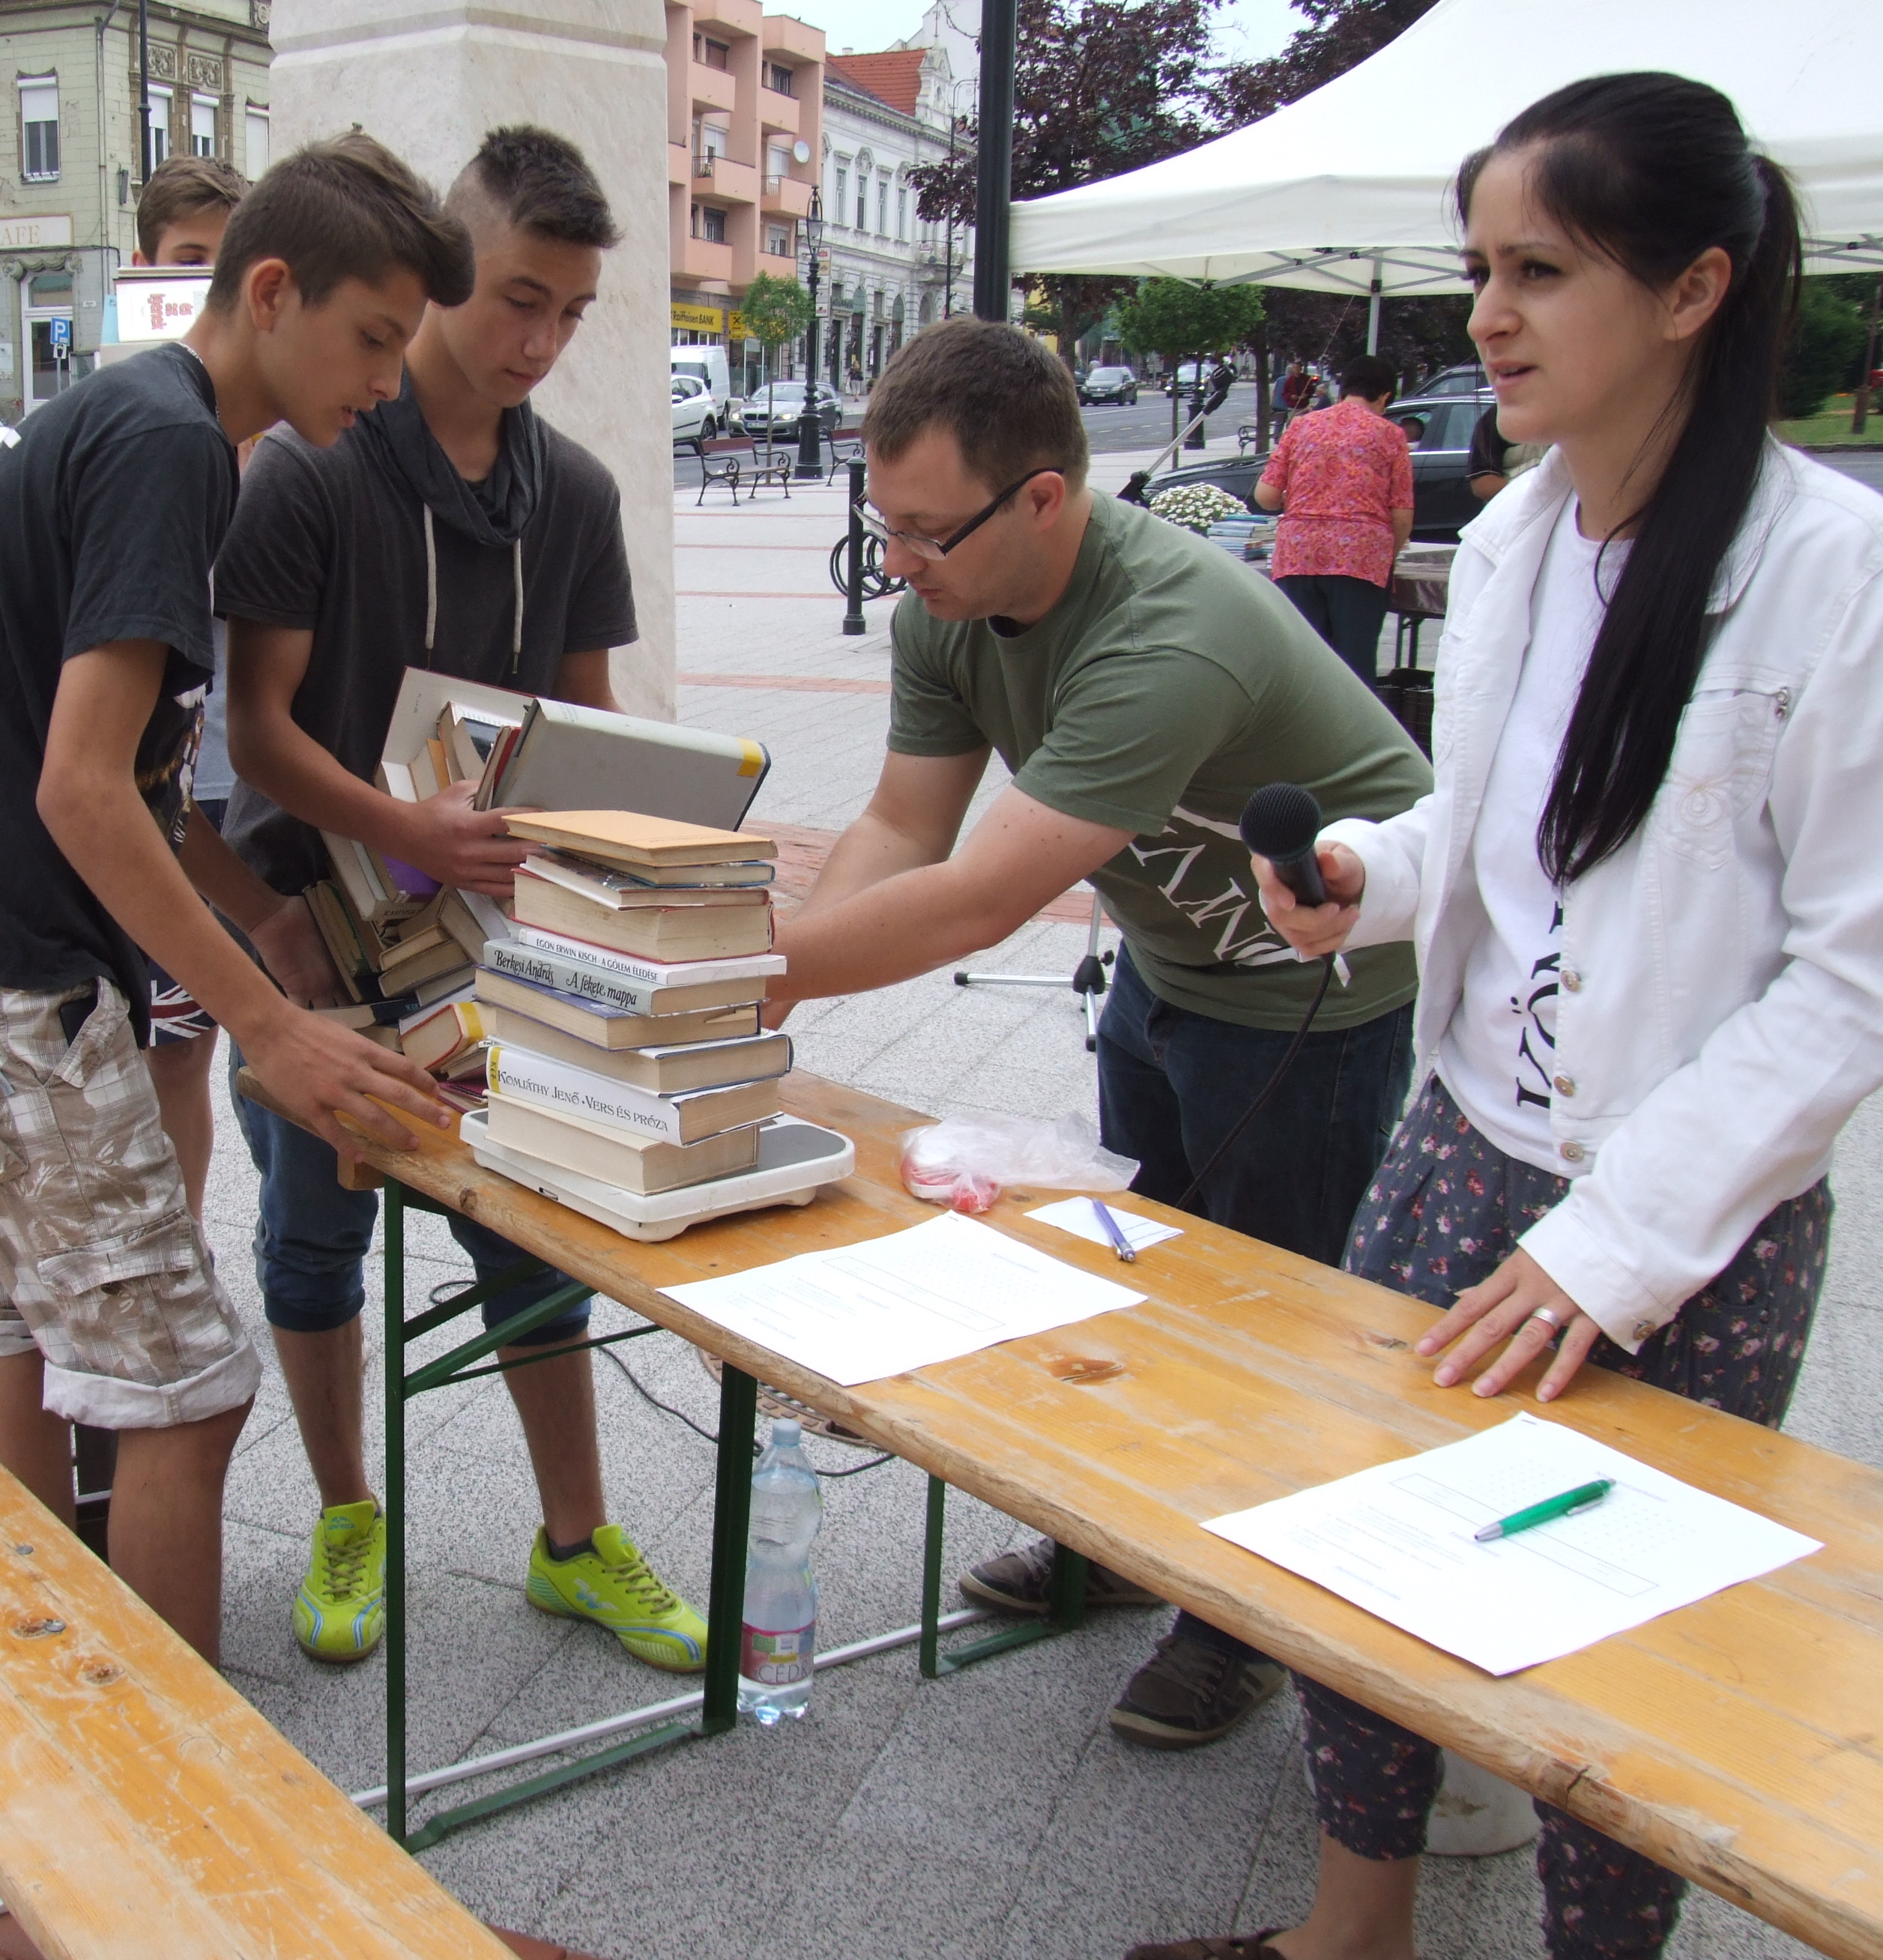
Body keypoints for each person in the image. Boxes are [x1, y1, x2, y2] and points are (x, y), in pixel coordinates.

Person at [1140, 75, 1883, 1960]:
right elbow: (1488, 832)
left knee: (1615, 1660)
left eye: (1539, 271)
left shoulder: (1835, 572)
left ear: (1694, 288)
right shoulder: (1512, 539)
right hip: (1461, 1144)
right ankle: (1351, 1929)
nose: (1486, 315)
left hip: (1686, 1220)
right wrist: (1368, 879)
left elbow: (1851, 977)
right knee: (1370, 1556)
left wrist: (1613, 1248)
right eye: (1478, 268)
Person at [0, 132, 471, 1664]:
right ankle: (168, 1768)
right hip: (13, 977)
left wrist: (266, 920)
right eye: (372, 337)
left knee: (16, 1335)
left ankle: (40, 1696)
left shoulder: (116, 418)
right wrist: (270, 1029)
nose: (386, 381)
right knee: (184, 1392)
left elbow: (140, 771)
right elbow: (79, 789)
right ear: (273, 290)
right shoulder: (170, 444)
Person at [767, 314, 1432, 1749]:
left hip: (1310, 1000)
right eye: (884, 525)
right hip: (1165, 965)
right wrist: (782, 972)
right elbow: (902, 825)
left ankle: (1240, 1627)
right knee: (1131, 1277)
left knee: (1265, 1321)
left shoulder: (1167, 629)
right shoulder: (941, 613)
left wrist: (757, 975)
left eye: (926, 532)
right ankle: (1126, 1545)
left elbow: (980, 899)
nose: (897, 563)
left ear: (1043, 500)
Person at [218, 126, 708, 1674]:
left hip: (497, 937)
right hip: (310, 931)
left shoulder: (574, 491)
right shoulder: (313, 467)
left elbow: (587, 720)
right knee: (311, 1238)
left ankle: (574, 1538)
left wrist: (659, 862)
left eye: (570, 314)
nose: (539, 343)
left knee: (535, 1235)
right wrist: (395, 825)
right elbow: (252, 733)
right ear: (442, 273)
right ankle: (345, 1510)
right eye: (514, 300)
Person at [126, 154, 250, 1219]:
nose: (204, 282)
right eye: (186, 260)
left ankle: (191, 1245)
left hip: (237, 785)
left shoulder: (275, 434)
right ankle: (163, 1250)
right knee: (147, 1045)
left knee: (203, 1046)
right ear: (145, 268)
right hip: (144, 786)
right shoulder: (139, 423)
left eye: (225, 260)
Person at [1252, 354, 1415, 684]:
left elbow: (1265, 495)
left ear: (1342, 390)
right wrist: (1387, 553)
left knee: (1302, 661)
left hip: (1298, 555)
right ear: (1385, 397)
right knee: (1354, 666)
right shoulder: (1391, 435)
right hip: (1360, 558)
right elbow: (1401, 513)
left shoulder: (1302, 425)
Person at [1464, 399, 1548, 503]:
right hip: (1515, 507)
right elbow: (1481, 484)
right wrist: (1531, 494)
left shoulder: (1564, 413)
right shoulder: (1495, 418)